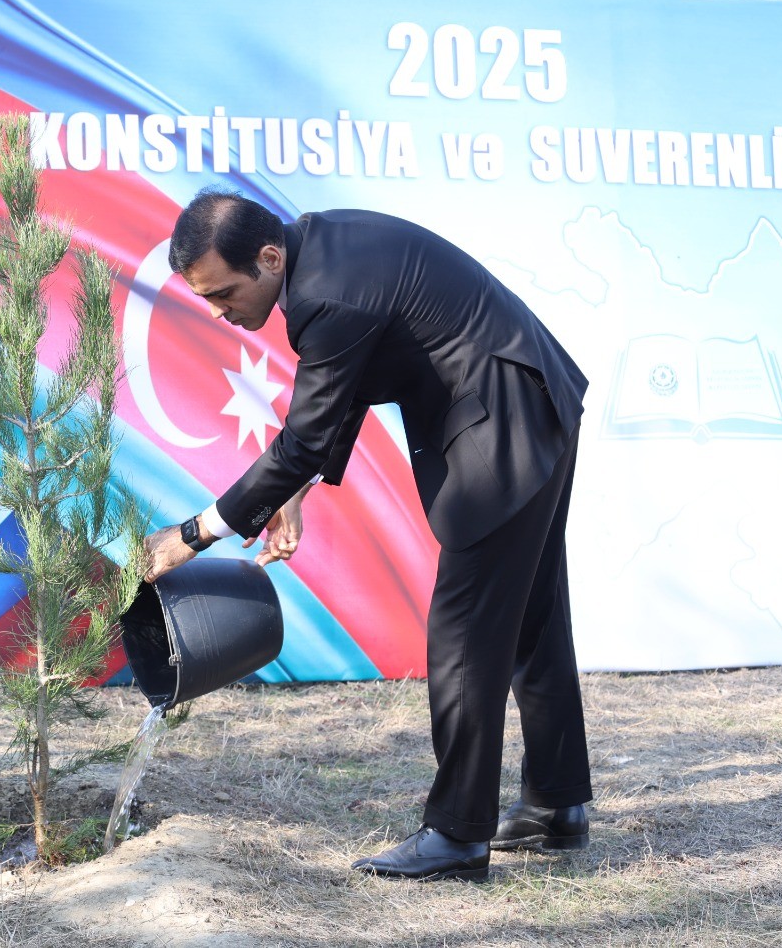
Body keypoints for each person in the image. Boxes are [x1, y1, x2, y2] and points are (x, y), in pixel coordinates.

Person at [142, 191, 591, 882]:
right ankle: (555, 806)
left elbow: (306, 434)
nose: (219, 312)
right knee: (531, 614)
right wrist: (295, 493)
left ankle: (457, 835)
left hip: (506, 421)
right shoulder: (322, 255)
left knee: (465, 630)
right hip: (532, 399)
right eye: (206, 299)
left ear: (268, 258)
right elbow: (346, 388)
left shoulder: (326, 292)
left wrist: (192, 535)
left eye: (225, 293)